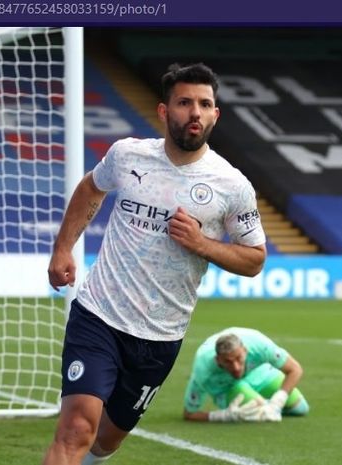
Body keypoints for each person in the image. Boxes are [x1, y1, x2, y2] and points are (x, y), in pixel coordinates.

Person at [43, 63, 267, 465]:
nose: (194, 112)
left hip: (159, 337)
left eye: (204, 104)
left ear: (216, 114)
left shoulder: (232, 185)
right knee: (77, 427)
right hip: (99, 315)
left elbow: (254, 259)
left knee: (105, 442)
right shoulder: (128, 154)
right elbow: (91, 187)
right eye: (184, 102)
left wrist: (202, 243)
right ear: (165, 111)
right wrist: (63, 248)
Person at [183, 327, 309, 423]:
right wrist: (222, 415)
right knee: (261, 412)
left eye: (239, 358)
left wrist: (278, 401)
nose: (236, 367)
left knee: (300, 408)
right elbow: (189, 413)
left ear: (245, 351)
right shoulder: (203, 367)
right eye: (228, 361)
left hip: (260, 373)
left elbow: (295, 369)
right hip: (227, 387)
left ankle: (266, 403)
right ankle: (261, 403)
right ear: (218, 360)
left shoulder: (259, 345)